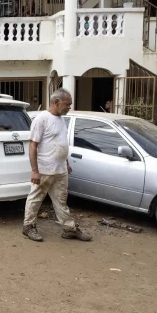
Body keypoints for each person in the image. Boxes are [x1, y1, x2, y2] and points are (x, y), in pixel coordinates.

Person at [23, 88, 92, 242]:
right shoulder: (41, 119)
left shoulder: (61, 119)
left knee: (61, 200)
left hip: (60, 169)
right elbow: (33, 145)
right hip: (44, 168)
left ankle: (69, 229)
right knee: (36, 198)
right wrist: (35, 171)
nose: (69, 107)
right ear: (56, 102)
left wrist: (65, 162)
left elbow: (61, 143)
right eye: (67, 104)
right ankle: (28, 226)